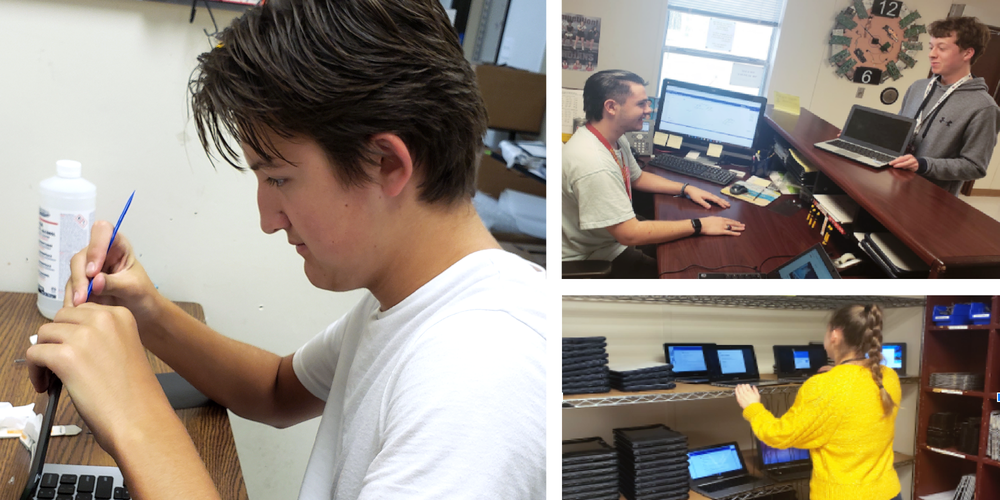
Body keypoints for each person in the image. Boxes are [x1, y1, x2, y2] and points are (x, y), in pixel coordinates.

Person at [25, 1, 546, 499]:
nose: (267, 221)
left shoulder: (479, 372)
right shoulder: (411, 300)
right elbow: (275, 389)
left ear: (385, 164)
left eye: (278, 178)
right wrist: (147, 312)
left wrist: (135, 421)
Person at [562, 70, 744, 278]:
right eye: (641, 104)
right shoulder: (593, 163)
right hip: (590, 258)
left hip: (606, 240)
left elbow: (637, 177)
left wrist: (686, 189)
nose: (650, 110)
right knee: (682, 275)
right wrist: (700, 224)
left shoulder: (611, 138)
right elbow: (629, 234)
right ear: (611, 107)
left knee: (685, 251)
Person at [734, 304, 901, 500]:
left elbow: (779, 436)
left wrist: (753, 407)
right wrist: (838, 374)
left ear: (835, 335)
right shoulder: (887, 377)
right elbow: (856, 401)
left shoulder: (823, 386)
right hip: (889, 492)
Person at [890, 16, 1000, 196]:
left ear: (967, 53)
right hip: (892, 182)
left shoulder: (984, 107)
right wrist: (866, 136)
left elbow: (975, 166)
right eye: (931, 47)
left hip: (931, 200)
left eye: (941, 48)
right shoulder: (918, 87)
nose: (932, 54)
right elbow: (899, 130)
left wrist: (923, 164)